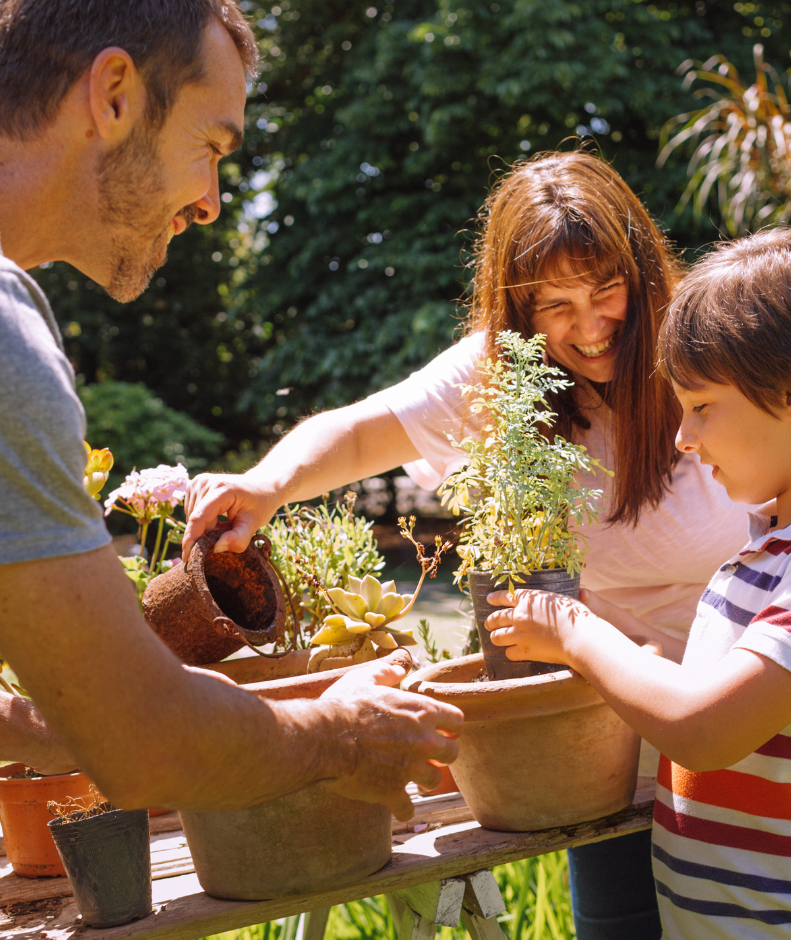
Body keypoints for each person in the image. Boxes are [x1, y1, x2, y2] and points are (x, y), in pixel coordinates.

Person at [0, 0, 462, 818]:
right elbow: (148, 751)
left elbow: (117, 723)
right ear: (113, 94)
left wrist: (81, 716)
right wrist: (342, 734)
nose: (214, 206)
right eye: (212, 149)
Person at [184, 151, 752, 938]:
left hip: (752, 753)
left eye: (607, 290)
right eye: (555, 305)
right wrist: (268, 484)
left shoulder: (703, 342)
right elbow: (357, 433)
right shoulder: (498, 374)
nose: (589, 328)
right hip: (615, 759)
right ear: (517, 310)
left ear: (645, 269)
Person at [486, 229, 791, 937]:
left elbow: (706, 728)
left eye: (704, 406)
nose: (683, 437)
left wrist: (578, 636)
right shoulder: (762, 551)